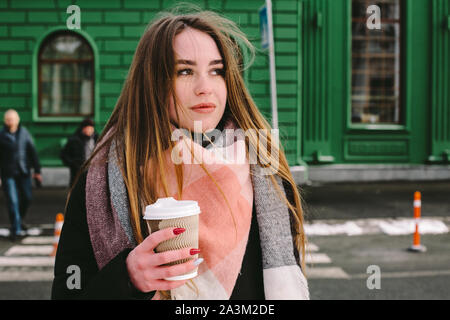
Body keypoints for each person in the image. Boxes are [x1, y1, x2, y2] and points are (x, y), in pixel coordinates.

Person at [51, 7, 309, 300]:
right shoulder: (102, 179)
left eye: (217, 70)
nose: (205, 88)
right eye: (184, 71)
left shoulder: (262, 165)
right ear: (153, 82)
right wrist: (127, 278)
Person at [0, 109, 42, 240]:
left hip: (23, 171)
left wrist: (37, 171)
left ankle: (19, 220)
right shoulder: (1, 135)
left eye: (12, 119)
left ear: (17, 120)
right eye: (8, 119)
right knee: (12, 201)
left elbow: (32, 152)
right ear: (5, 121)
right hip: (8, 173)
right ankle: (16, 229)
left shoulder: (24, 133)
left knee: (27, 198)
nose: (10, 122)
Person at [60, 118, 98, 187]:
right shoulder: (74, 140)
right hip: (78, 173)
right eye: (87, 128)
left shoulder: (97, 139)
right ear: (83, 129)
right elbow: (64, 155)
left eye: (91, 128)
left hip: (94, 172)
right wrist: (73, 164)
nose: (89, 130)